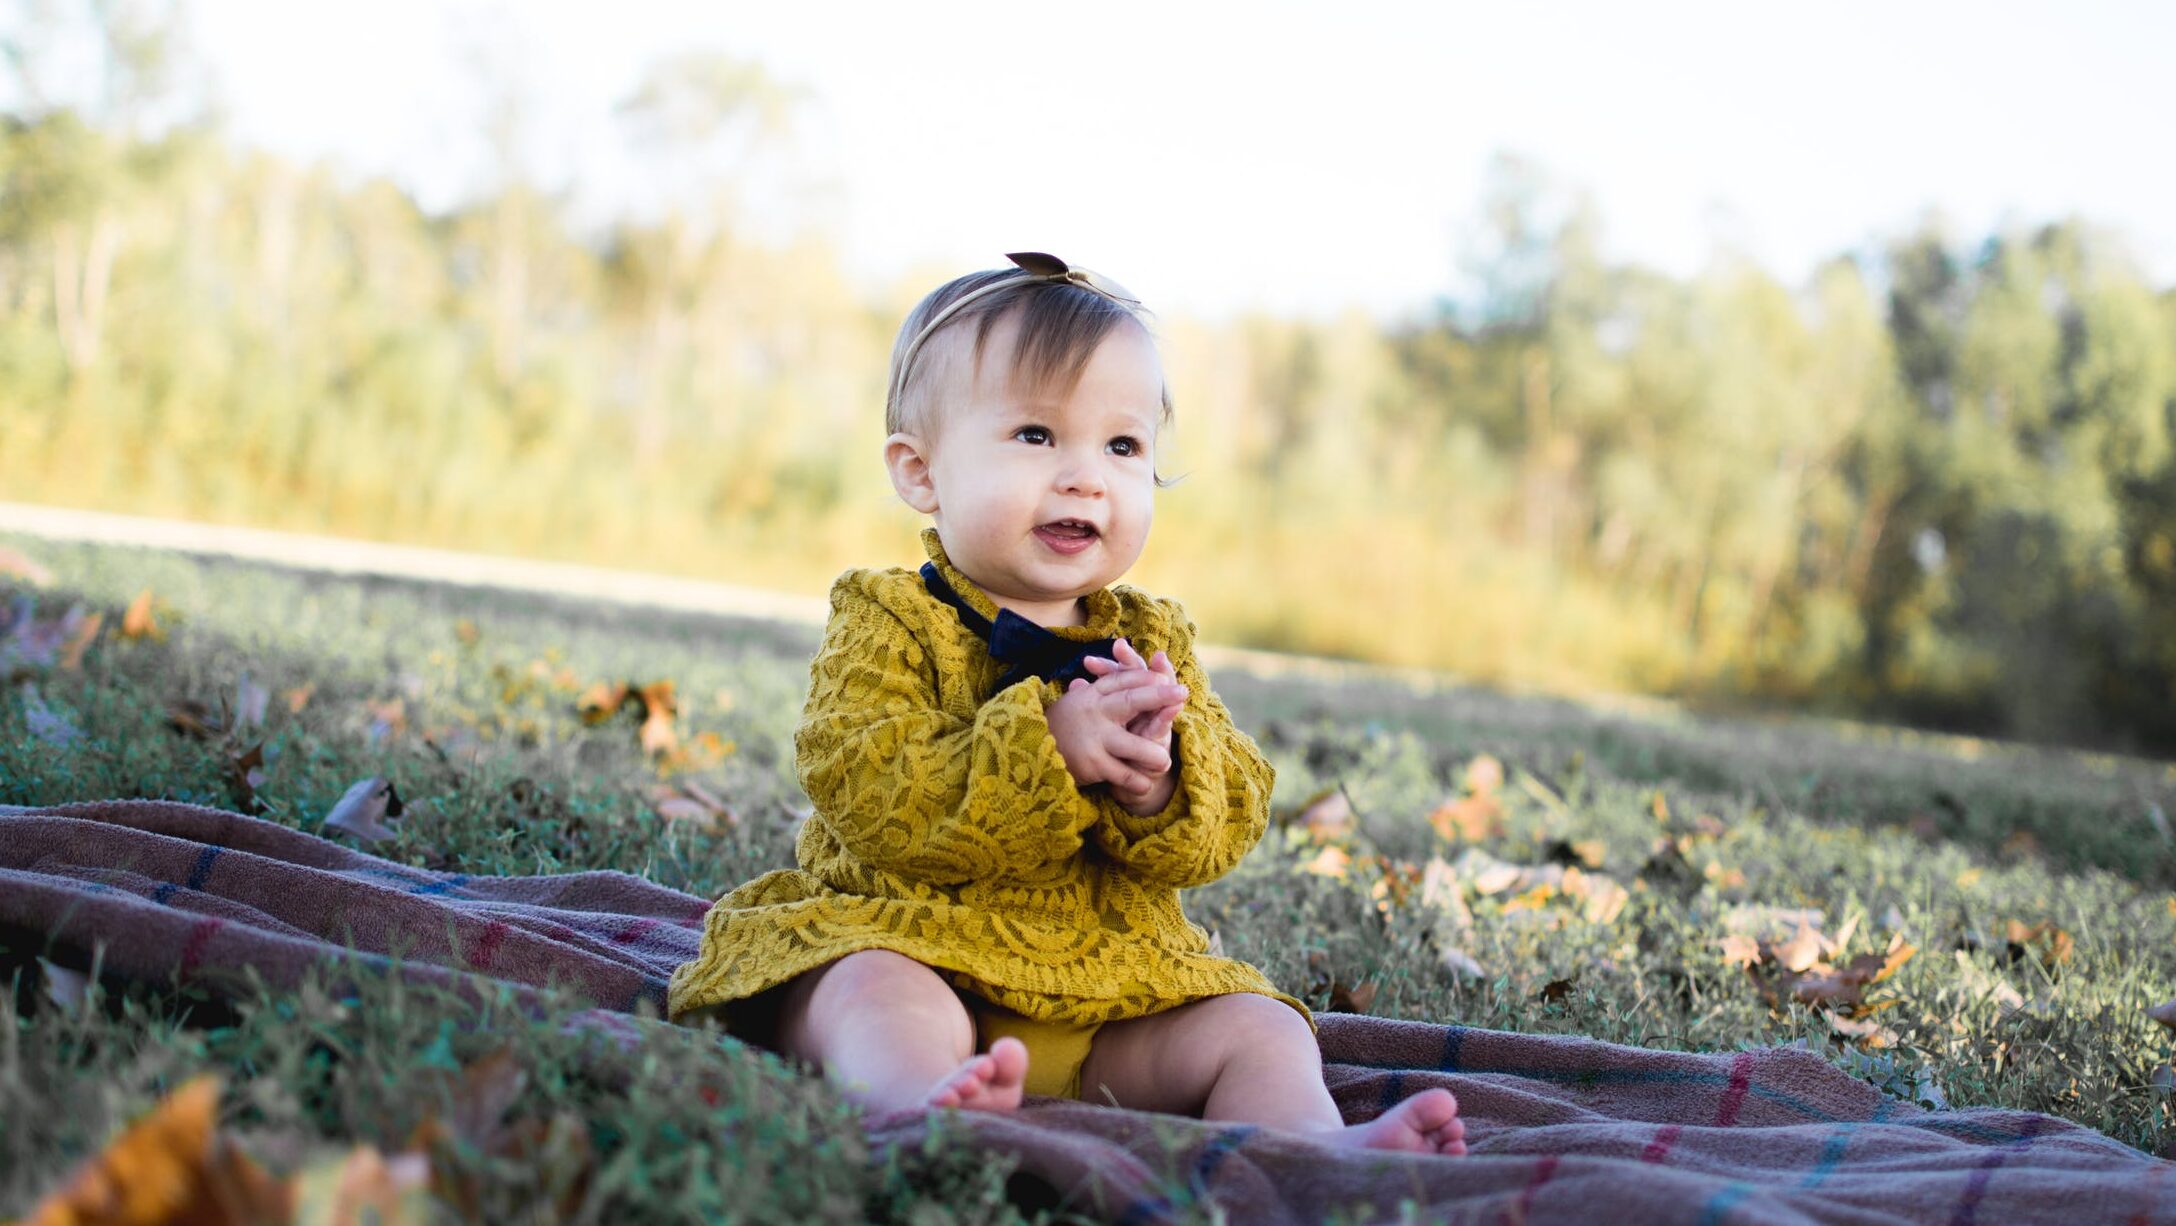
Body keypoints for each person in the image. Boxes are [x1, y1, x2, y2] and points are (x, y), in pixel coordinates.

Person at [668, 253, 1465, 1155]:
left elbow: (1234, 808)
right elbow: (867, 778)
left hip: (1107, 993)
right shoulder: (888, 617)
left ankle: (1313, 1150)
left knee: (1262, 1028)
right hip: (915, 941)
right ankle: (919, 1108)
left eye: (1122, 447)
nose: (1087, 476)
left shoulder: (1152, 638)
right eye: (1038, 436)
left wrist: (1160, 783)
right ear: (921, 472)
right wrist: (1045, 748)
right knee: (865, 993)